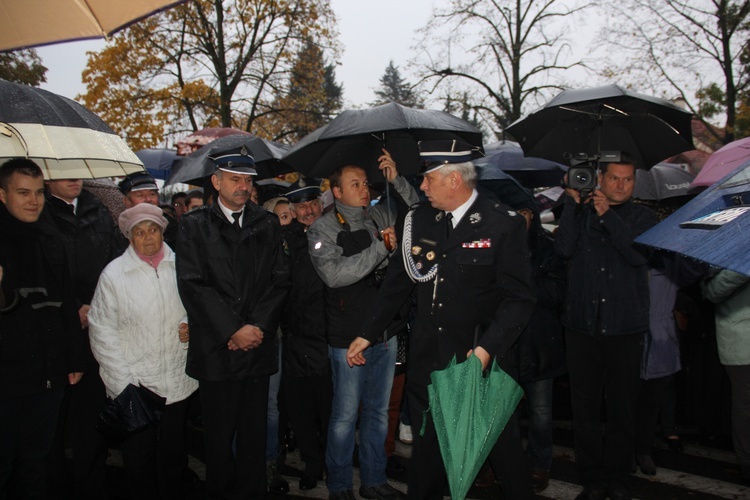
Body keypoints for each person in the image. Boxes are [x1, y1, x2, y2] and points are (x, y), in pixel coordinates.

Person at [347, 140, 536, 500]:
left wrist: (486, 350)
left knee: (504, 456)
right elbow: (397, 284)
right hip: (429, 363)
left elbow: (520, 300)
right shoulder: (418, 219)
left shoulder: (501, 224)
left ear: (453, 180)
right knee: (427, 460)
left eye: (428, 179)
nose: (421, 186)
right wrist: (367, 333)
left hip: (477, 365)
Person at [176, 146, 290, 499]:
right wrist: (232, 330)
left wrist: (255, 327)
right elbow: (193, 285)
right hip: (217, 349)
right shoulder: (194, 226)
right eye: (235, 179)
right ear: (216, 181)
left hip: (256, 347)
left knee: (254, 436)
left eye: (248, 180)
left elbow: (280, 280)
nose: (243, 186)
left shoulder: (266, 223)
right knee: (218, 439)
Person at [307, 149, 418, 500]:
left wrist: (395, 178)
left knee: (378, 413)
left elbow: (417, 211)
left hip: (384, 332)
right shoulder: (321, 227)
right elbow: (335, 275)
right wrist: (381, 248)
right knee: (344, 416)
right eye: (354, 184)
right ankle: (339, 485)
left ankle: (374, 481)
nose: (364, 188)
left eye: (365, 182)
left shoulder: (379, 213)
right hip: (347, 337)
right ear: (336, 192)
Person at [554, 152, 657, 500]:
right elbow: (563, 250)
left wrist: (607, 215)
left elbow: (638, 255)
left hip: (625, 328)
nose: (621, 185)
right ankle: (592, 479)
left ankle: (618, 477)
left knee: (622, 408)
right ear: (600, 178)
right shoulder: (580, 213)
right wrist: (572, 203)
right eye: (614, 178)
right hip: (581, 325)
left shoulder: (644, 216)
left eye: (627, 179)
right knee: (584, 409)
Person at [87, 203, 198, 500]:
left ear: (162, 232)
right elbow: (101, 331)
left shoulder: (183, 265)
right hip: (136, 384)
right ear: (129, 237)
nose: (148, 237)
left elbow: (198, 305)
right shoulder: (114, 275)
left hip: (177, 380)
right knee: (139, 461)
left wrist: (189, 324)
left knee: (174, 457)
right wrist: (123, 383)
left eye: (153, 230)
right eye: (139, 232)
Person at [0, 159, 85, 499]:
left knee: (36, 461)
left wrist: (74, 359)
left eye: (37, 192)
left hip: (48, 376)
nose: (33, 200)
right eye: (23, 192)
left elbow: (66, 303)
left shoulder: (51, 238)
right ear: (2, 194)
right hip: (5, 379)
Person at [42, 177, 121, 499]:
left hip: (95, 333)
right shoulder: (37, 212)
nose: (73, 176)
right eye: (64, 169)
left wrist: (99, 304)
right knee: (50, 430)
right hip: (54, 336)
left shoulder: (99, 211)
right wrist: (71, 308)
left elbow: (115, 264)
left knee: (91, 425)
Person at [279, 178, 332, 491]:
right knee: (301, 409)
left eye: (313, 203)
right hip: (296, 337)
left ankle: (327, 461)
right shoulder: (283, 240)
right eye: (302, 205)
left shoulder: (334, 233)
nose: (309, 210)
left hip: (326, 335)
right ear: (293, 209)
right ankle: (312, 463)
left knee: (328, 407)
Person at [514, 200, 567, 494]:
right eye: (514, 214)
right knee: (502, 410)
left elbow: (557, 292)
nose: (520, 220)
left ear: (532, 216)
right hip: (507, 343)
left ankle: (538, 465)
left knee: (541, 412)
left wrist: (525, 280)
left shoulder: (548, 248)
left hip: (540, 342)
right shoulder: (498, 245)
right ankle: (497, 463)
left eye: (524, 214)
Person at [702, 268, 750, 485]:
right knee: (745, 407)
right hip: (741, 342)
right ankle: (747, 462)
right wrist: (744, 268)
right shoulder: (723, 253)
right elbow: (711, 291)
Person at [118, 171, 178, 249]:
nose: (148, 199)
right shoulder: (118, 233)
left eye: (152, 194)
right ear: (127, 201)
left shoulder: (173, 228)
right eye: (140, 195)